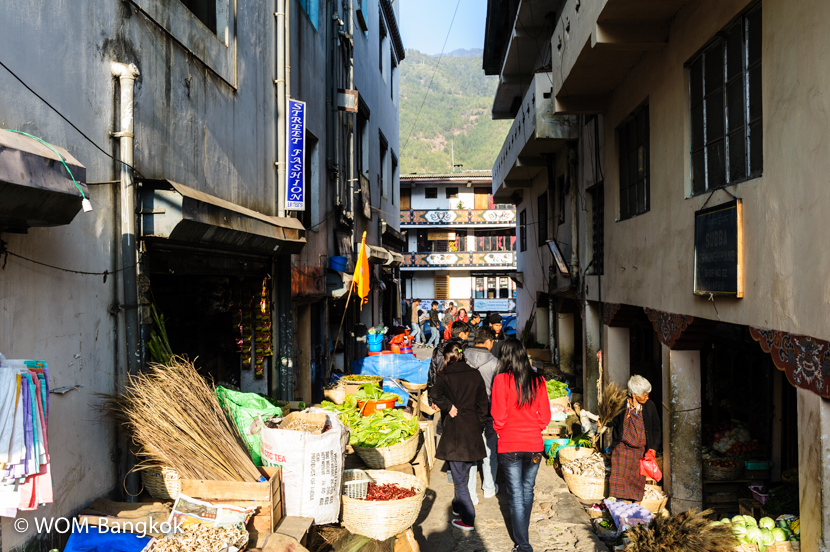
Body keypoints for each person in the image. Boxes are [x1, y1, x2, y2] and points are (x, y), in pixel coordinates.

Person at [491, 338, 551, 552]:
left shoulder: (500, 380)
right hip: (534, 446)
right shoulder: (538, 380)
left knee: (515, 494)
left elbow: (498, 416)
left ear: (505, 356)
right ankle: (523, 538)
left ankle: (523, 544)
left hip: (510, 445)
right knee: (527, 491)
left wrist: (501, 431)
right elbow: (545, 417)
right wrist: (535, 429)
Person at [431, 342, 490, 531]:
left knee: (459, 480)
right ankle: (457, 507)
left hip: (455, 432)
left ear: (448, 357)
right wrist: (479, 423)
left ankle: (468, 519)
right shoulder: (475, 373)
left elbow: (434, 394)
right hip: (472, 431)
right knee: (462, 474)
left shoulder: (444, 375)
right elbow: (483, 405)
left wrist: (448, 406)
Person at [609, 375, 661, 504]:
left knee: (637, 481)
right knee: (619, 478)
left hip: (640, 450)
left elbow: (656, 429)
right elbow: (613, 421)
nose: (647, 397)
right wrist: (603, 422)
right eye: (644, 395)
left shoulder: (650, 406)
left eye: (648, 394)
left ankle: (635, 505)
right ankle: (617, 504)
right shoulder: (621, 405)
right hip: (622, 448)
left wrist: (653, 448)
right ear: (634, 394)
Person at [463, 326, 500, 500]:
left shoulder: (462, 359)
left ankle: (471, 493)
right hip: (489, 413)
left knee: (471, 454)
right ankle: (489, 488)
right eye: (492, 342)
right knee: (490, 452)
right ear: (487, 342)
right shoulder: (495, 363)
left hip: (468, 414)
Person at [427, 321, 471, 396]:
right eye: (467, 335)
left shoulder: (438, 350)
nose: (468, 338)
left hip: (441, 394)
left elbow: (432, 375)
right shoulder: (465, 350)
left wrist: (432, 397)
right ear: (461, 334)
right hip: (460, 396)